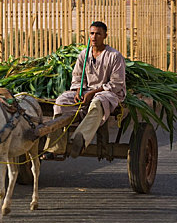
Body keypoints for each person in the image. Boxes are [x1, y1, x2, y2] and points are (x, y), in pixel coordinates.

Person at [42, 21, 126, 160]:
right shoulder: (84, 55)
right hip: (86, 91)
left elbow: (116, 84)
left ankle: (80, 138)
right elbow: (77, 77)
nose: (94, 37)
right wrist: (77, 92)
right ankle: (55, 147)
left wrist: (91, 94)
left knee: (98, 102)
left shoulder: (114, 56)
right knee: (61, 101)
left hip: (108, 93)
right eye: (92, 33)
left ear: (105, 35)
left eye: (98, 34)